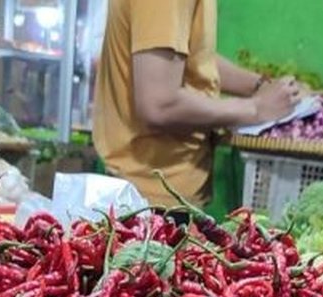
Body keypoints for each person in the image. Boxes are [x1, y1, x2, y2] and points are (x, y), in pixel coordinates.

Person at [93, 0, 302, 207]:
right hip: (152, 198)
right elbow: (159, 105)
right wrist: (256, 108)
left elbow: (190, 58)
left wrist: (260, 87)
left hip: (159, 190)